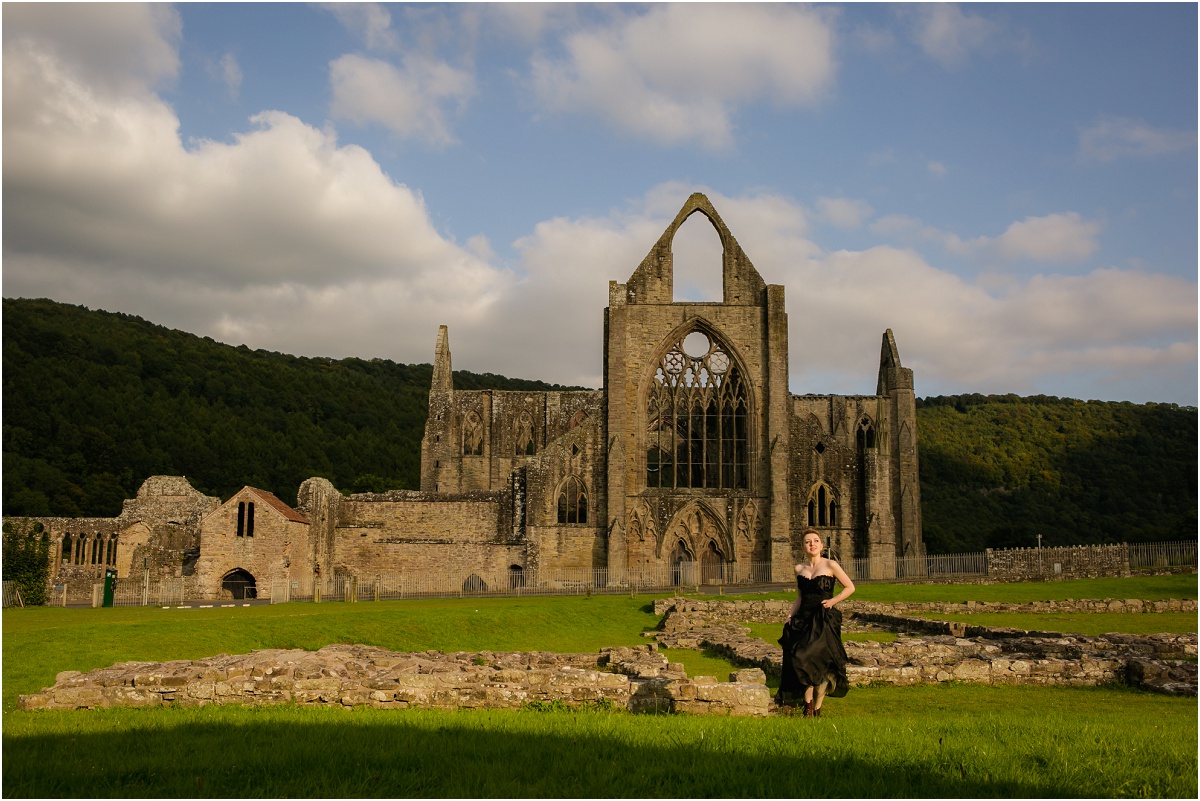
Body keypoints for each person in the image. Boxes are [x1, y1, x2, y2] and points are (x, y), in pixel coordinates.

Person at [776, 528, 855, 717]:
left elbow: (850, 587)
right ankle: (808, 707)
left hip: (824, 618)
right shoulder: (799, 569)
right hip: (803, 618)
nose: (812, 544)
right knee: (799, 658)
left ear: (821, 545)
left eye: (815, 541)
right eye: (808, 541)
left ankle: (817, 707)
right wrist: (790, 615)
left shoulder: (831, 565)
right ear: (803, 546)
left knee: (821, 664)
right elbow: (799, 597)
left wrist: (833, 601)